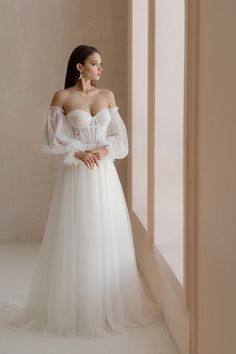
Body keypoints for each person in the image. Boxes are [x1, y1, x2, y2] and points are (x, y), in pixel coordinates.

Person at [3, 44, 160, 338]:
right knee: (76, 233)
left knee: (104, 230)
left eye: (100, 64)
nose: (100, 69)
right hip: (76, 175)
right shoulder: (62, 97)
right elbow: (50, 140)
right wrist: (76, 152)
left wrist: (102, 150)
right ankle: (72, 306)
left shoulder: (107, 96)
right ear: (79, 67)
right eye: (95, 63)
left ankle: (103, 304)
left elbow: (120, 139)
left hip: (102, 174)